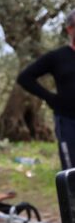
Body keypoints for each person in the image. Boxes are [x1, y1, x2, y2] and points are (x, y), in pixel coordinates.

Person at [17, 10, 75, 171]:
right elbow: (25, 78)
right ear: (70, 29)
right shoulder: (57, 57)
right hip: (68, 121)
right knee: (71, 173)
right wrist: (50, 98)